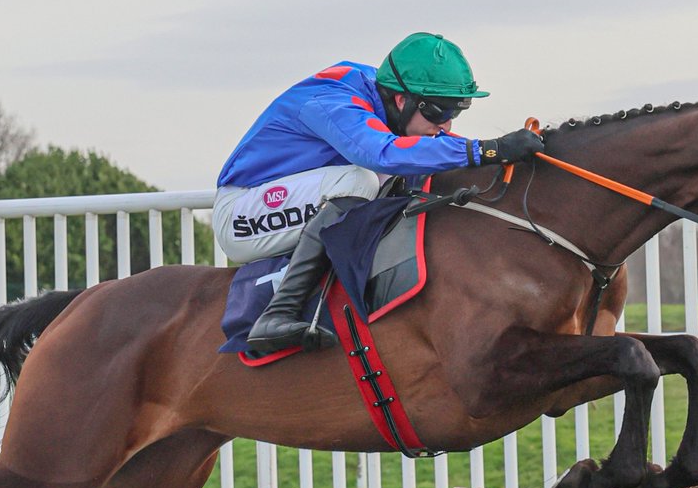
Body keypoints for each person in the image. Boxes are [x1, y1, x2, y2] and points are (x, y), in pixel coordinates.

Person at [214, 31, 543, 353]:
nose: (446, 125)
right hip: (242, 214)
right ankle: (278, 313)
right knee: (362, 179)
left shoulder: (387, 91)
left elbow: (429, 149)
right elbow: (381, 153)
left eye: (454, 113)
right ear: (402, 100)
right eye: (439, 112)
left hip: (293, 197)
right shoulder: (333, 102)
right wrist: (486, 150)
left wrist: (495, 153)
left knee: (403, 171)